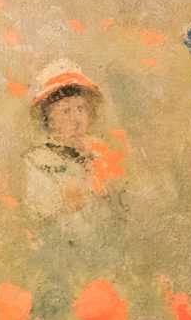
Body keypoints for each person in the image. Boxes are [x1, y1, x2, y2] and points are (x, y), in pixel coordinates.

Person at [23, 62, 127, 245]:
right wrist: (64, 199)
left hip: (106, 239)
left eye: (81, 109)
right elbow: (38, 208)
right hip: (61, 243)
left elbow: (119, 199)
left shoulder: (100, 151)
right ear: (49, 119)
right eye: (66, 111)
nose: (76, 118)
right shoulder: (38, 159)